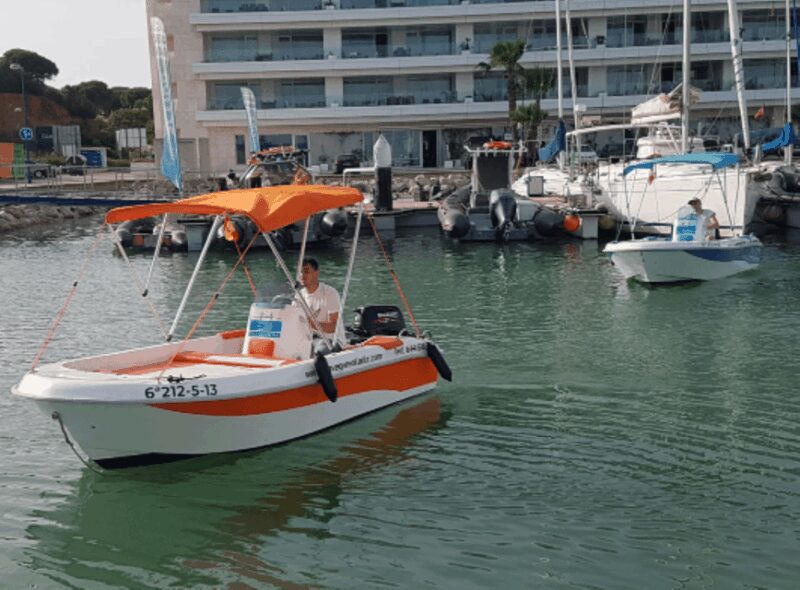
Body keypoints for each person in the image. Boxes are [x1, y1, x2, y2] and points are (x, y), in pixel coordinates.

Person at [298, 257, 345, 346]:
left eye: (306, 271)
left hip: (332, 343)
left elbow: (334, 327)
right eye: (300, 272)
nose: (302, 275)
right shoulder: (298, 295)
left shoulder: (330, 293)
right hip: (310, 341)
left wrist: (310, 324)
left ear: (316, 273)